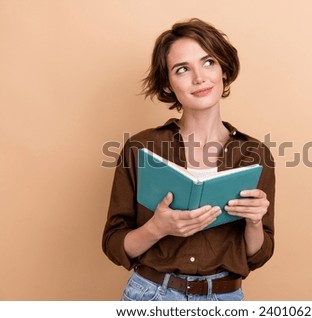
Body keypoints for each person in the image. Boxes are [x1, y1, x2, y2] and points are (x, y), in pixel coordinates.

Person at [102, 18, 275, 301]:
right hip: (151, 297)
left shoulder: (254, 155)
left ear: (223, 70)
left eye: (208, 63)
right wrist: (157, 228)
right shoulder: (142, 148)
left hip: (225, 300)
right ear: (168, 84)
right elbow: (114, 243)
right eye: (183, 69)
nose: (199, 78)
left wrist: (255, 222)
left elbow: (258, 254)